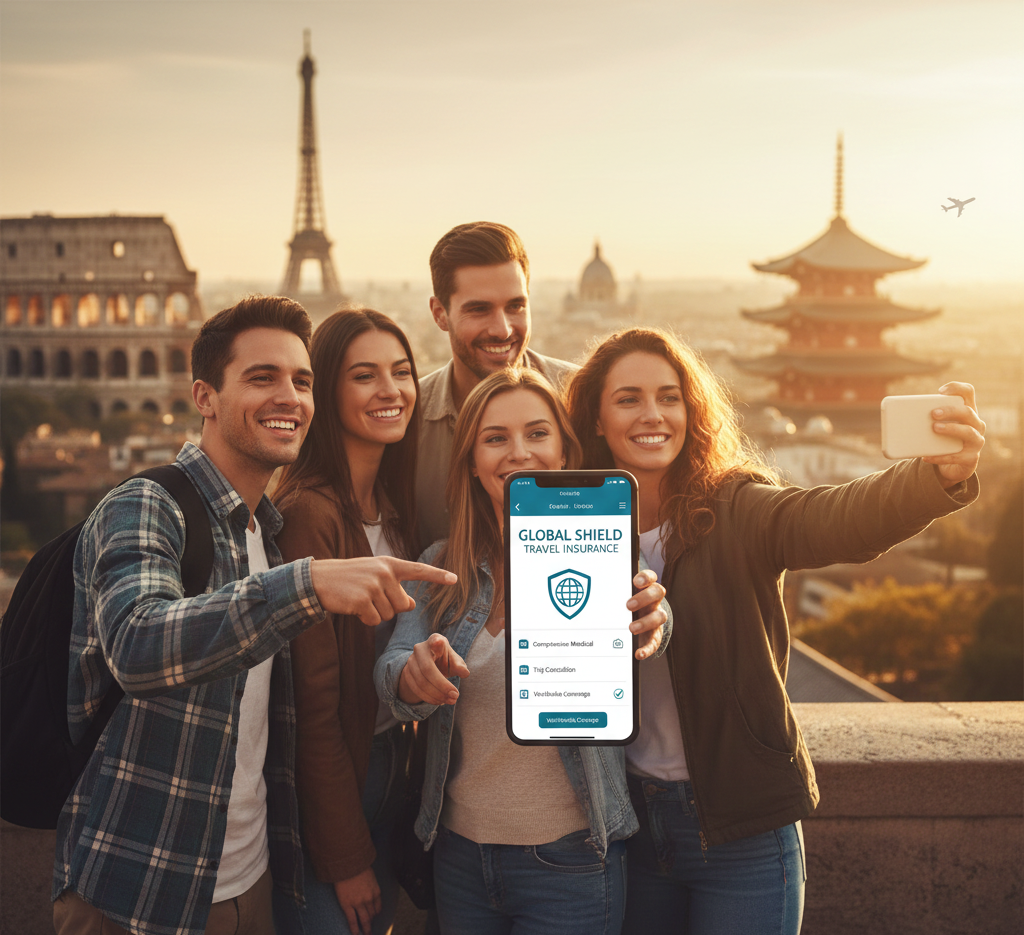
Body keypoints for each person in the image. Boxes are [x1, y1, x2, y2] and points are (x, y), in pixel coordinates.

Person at [53, 296, 456, 935]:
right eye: (262, 377)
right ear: (204, 396)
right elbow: (137, 643)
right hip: (145, 880)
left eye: (301, 381)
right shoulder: (147, 504)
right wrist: (306, 583)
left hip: (255, 873)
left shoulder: (264, 532)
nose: (288, 396)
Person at [564, 327, 985, 935]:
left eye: (669, 396)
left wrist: (932, 479)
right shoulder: (566, 528)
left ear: (691, 412)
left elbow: (837, 520)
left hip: (744, 825)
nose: (652, 414)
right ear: (597, 420)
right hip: (629, 824)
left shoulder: (737, 508)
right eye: (628, 398)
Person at [375, 368, 670, 935]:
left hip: (575, 856)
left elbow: (650, 616)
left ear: (563, 451)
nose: (519, 453)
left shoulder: (602, 549)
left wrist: (655, 619)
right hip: (459, 854)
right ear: (470, 461)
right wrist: (412, 679)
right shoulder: (439, 567)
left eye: (537, 434)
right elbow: (391, 667)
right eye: (495, 438)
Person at [272, 308, 420, 935]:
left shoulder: (393, 506)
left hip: (389, 766)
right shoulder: (311, 513)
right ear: (327, 390)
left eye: (403, 371)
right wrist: (343, 856)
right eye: (365, 376)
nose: (391, 390)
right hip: (339, 785)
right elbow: (314, 702)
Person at [416, 221, 577, 546]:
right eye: (479, 309)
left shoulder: (581, 394)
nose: (502, 329)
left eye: (516, 306)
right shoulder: (407, 417)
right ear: (439, 314)